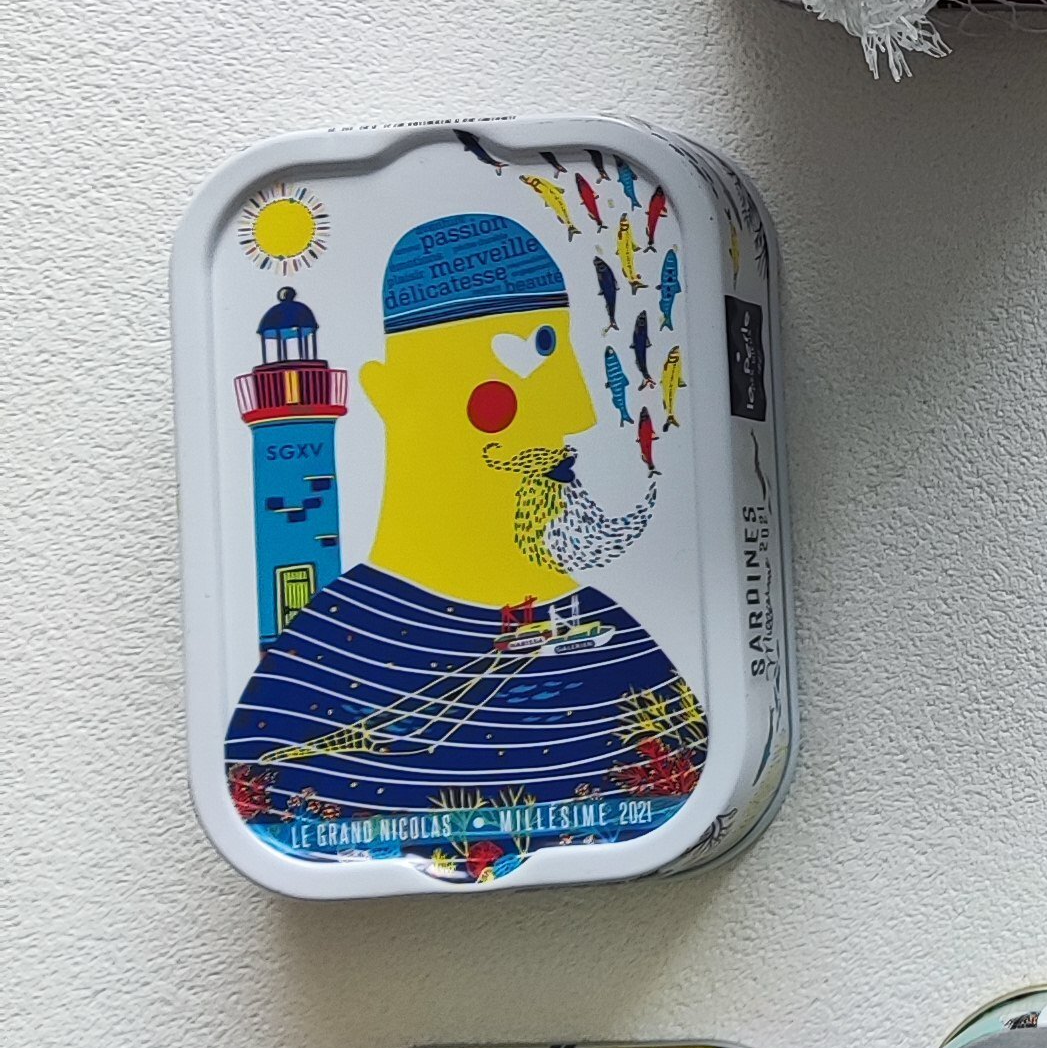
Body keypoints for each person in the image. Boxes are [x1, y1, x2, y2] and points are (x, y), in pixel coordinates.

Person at [225, 213, 705, 876]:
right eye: (532, 359)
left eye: (563, 357)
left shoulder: (622, 644)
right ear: (391, 395)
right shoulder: (304, 677)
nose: (580, 412)